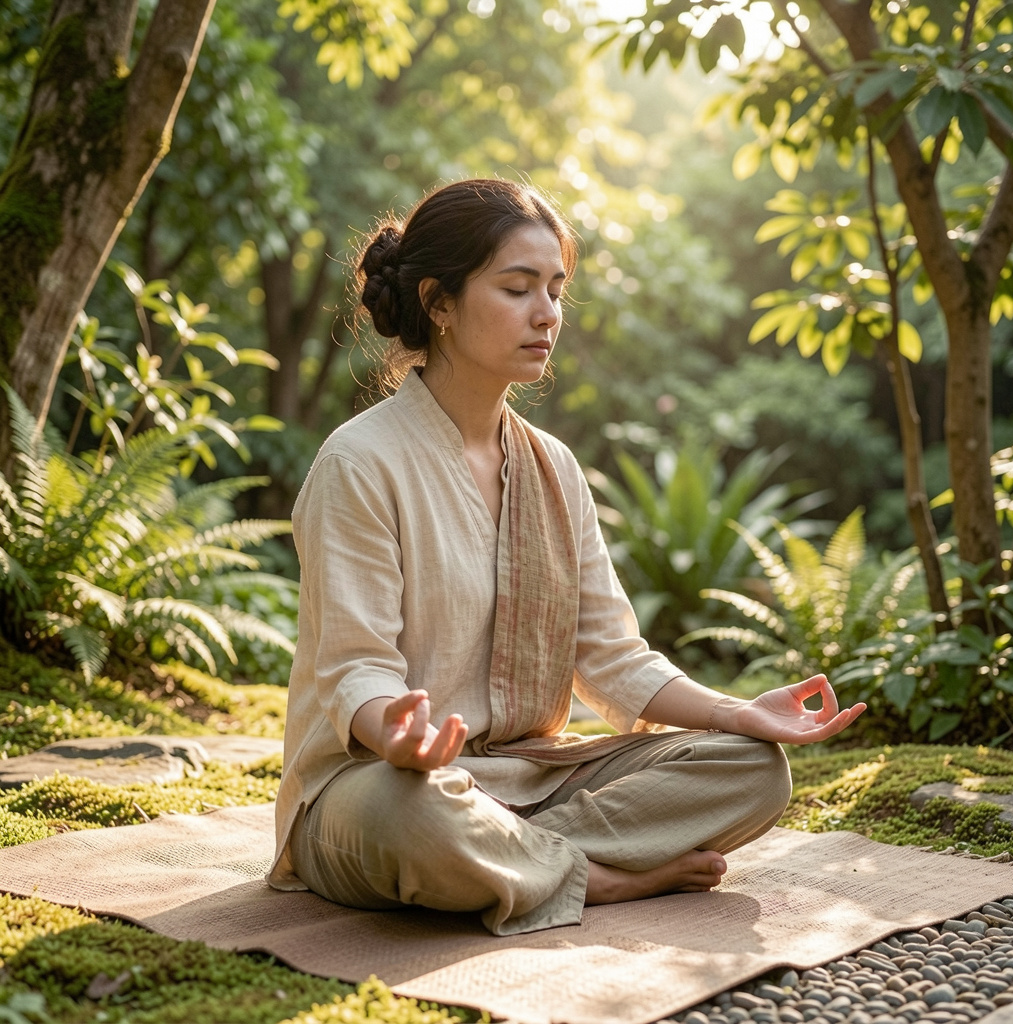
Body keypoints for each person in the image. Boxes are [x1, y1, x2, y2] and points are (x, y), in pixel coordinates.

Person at [267, 177, 866, 936]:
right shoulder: (359, 462)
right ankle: (602, 879)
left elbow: (612, 655)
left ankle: (524, 862)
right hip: (381, 788)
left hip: (529, 778)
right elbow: (356, 670)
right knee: (409, 816)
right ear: (438, 303)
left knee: (751, 769)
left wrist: (735, 712)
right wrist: (401, 738)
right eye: (518, 288)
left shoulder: (553, 466)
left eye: (555, 289)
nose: (547, 313)